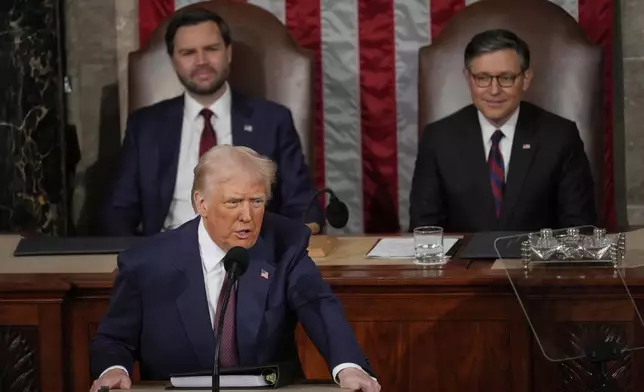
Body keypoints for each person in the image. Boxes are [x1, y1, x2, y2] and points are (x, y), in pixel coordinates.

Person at [89, 145, 380, 392]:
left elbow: (318, 305)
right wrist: (113, 369)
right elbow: (114, 339)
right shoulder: (147, 263)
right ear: (201, 203)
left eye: (256, 202)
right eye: (234, 202)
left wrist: (348, 366)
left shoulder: (284, 243)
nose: (247, 216)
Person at [100, 8, 323, 236]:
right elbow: (118, 210)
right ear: (173, 60)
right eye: (188, 52)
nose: (201, 61)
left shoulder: (273, 121)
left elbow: (303, 205)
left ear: (228, 52)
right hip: (168, 256)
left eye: (211, 49)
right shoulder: (145, 126)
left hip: (250, 255)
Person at [409, 29, 597, 232]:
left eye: (506, 78)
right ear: (468, 79)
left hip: (535, 262)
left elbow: (580, 229)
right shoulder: (438, 138)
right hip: (461, 263)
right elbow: (425, 230)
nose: (494, 90)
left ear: (526, 79)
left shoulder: (560, 136)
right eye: (482, 78)